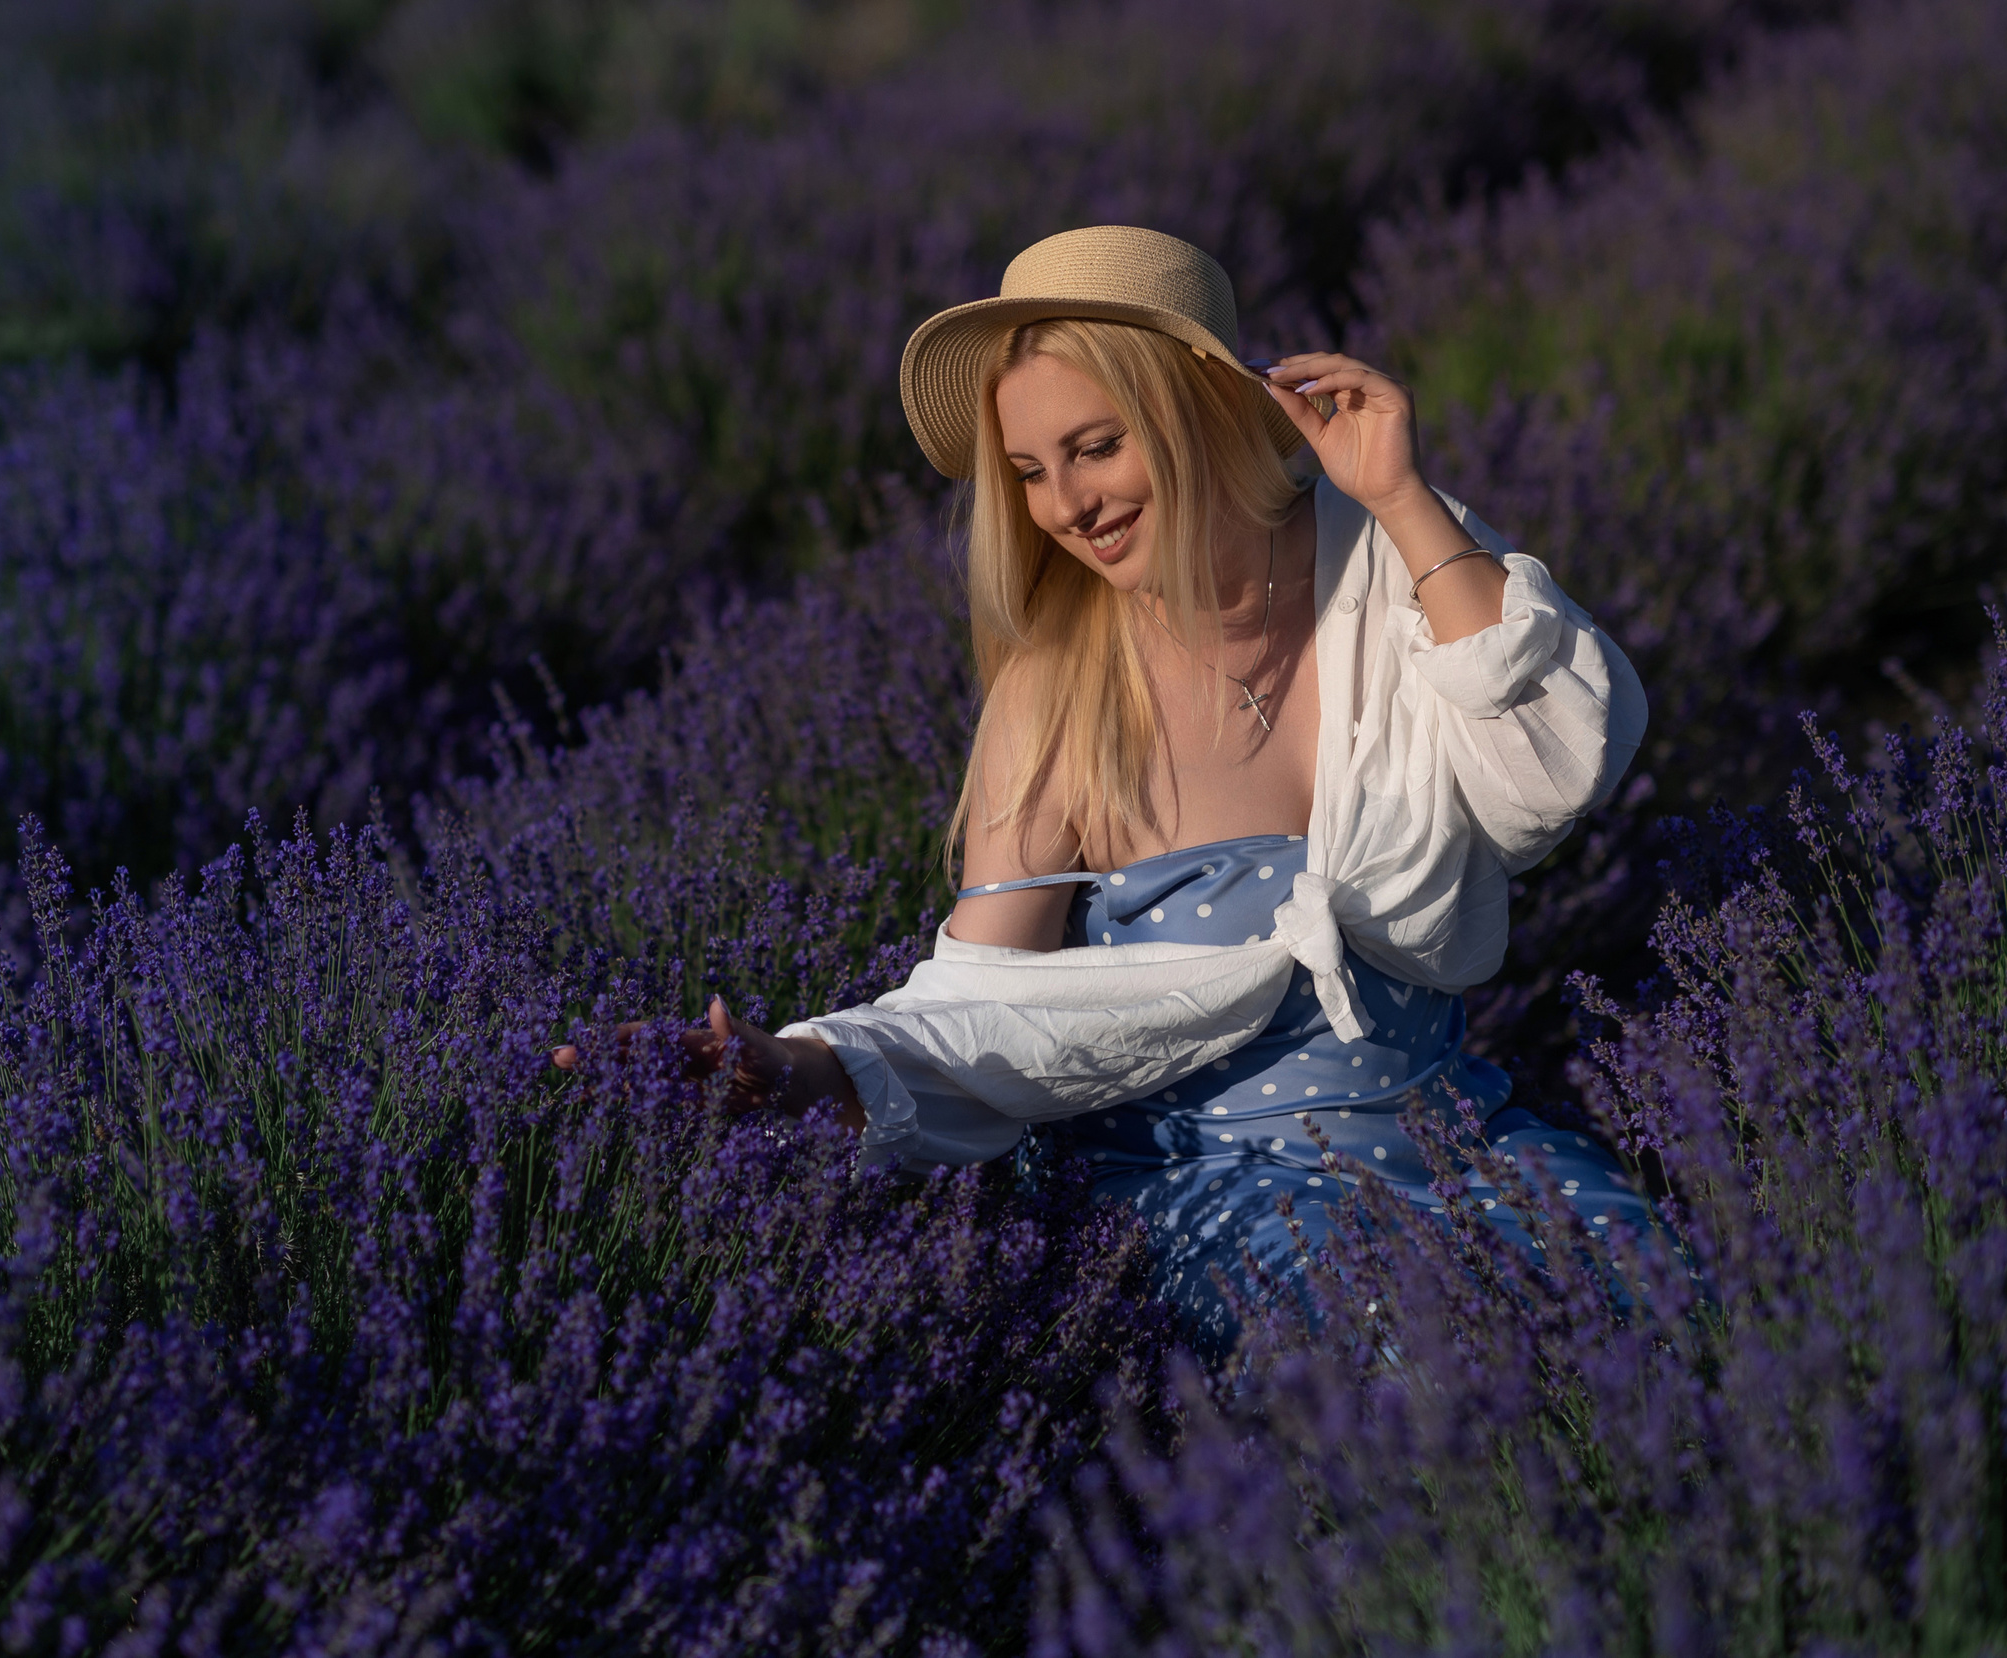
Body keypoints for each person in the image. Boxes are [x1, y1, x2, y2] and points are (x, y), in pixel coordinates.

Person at [560, 225, 1657, 1343]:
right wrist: (787, 1065)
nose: (1065, 506)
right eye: (1030, 472)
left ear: (1197, 409)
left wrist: (1405, 499)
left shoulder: (1390, 565)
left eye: (1094, 446)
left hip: (1452, 1134)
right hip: (1209, 1188)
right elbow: (980, 1001)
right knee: (1412, 1356)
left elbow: (1547, 766)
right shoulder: (1057, 687)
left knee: (1653, 1306)